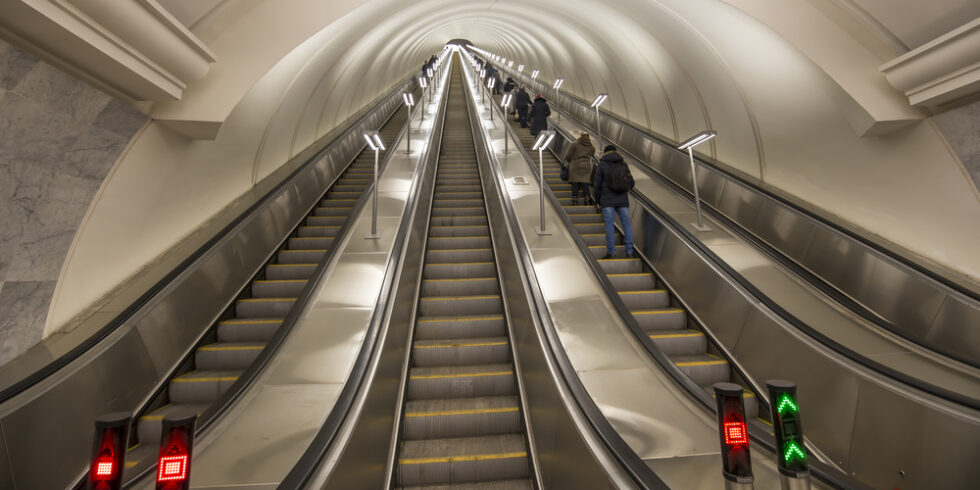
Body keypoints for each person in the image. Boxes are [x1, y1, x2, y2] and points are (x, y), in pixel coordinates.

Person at [593, 145, 634, 259]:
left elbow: (597, 184)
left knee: (609, 225)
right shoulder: (623, 164)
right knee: (627, 224)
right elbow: (631, 183)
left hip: (607, 200)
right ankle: (629, 252)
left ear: (605, 153)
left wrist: (597, 200)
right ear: (616, 152)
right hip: (622, 200)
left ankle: (611, 252)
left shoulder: (602, 164)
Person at [562, 133, 596, 205]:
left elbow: (568, 155)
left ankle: (575, 200)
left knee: (575, 183)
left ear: (580, 136)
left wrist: (566, 161)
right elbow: (592, 152)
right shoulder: (591, 146)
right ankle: (587, 199)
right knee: (585, 183)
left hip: (575, 166)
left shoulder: (575, 144)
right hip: (586, 166)